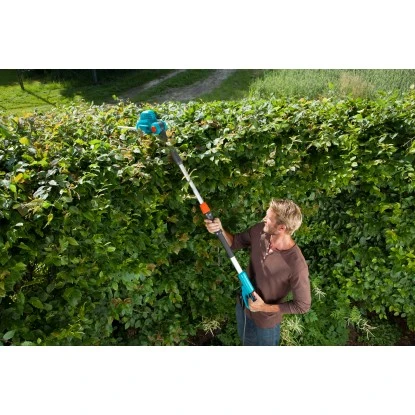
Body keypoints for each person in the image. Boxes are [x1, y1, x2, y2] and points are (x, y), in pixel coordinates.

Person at [204, 198, 311, 346]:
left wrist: (263, 307)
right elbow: (235, 242)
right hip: (243, 306)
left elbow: (302, 305)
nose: (264, 219)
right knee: (246, 343)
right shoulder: (260, 230)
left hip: (266, 321)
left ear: (281, 228)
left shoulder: (296, 265)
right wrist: (219, 230)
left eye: (269, 218)